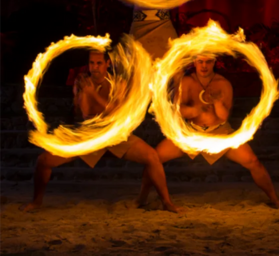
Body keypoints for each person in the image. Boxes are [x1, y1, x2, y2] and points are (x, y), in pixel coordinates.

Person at [20, 51, 182, 213]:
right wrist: (82, 95)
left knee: (152, 157)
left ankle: (165, 202)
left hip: (114, 133)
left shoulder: (118, 83)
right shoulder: (82, 82)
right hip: (88, 134)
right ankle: (36, 202)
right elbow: (83, 113)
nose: (95, 67)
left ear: (107, 64)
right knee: (44, 160)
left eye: (98, 63)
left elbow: (116, 112)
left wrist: (93, 95)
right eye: (91, 63)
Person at [136, 55, 279, 208]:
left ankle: (274, 199)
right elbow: (178, 111)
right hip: (191, 133)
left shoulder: (223, 84)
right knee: (153, 159)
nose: (204, 65)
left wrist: (217, 102)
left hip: (219, 132)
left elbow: (223, 116)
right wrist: (194, 110)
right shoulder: (187, 82)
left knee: (253, 162)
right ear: (195, 62)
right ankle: (142, 199)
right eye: (200, 61)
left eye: (208, 61)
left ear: (214, 62)